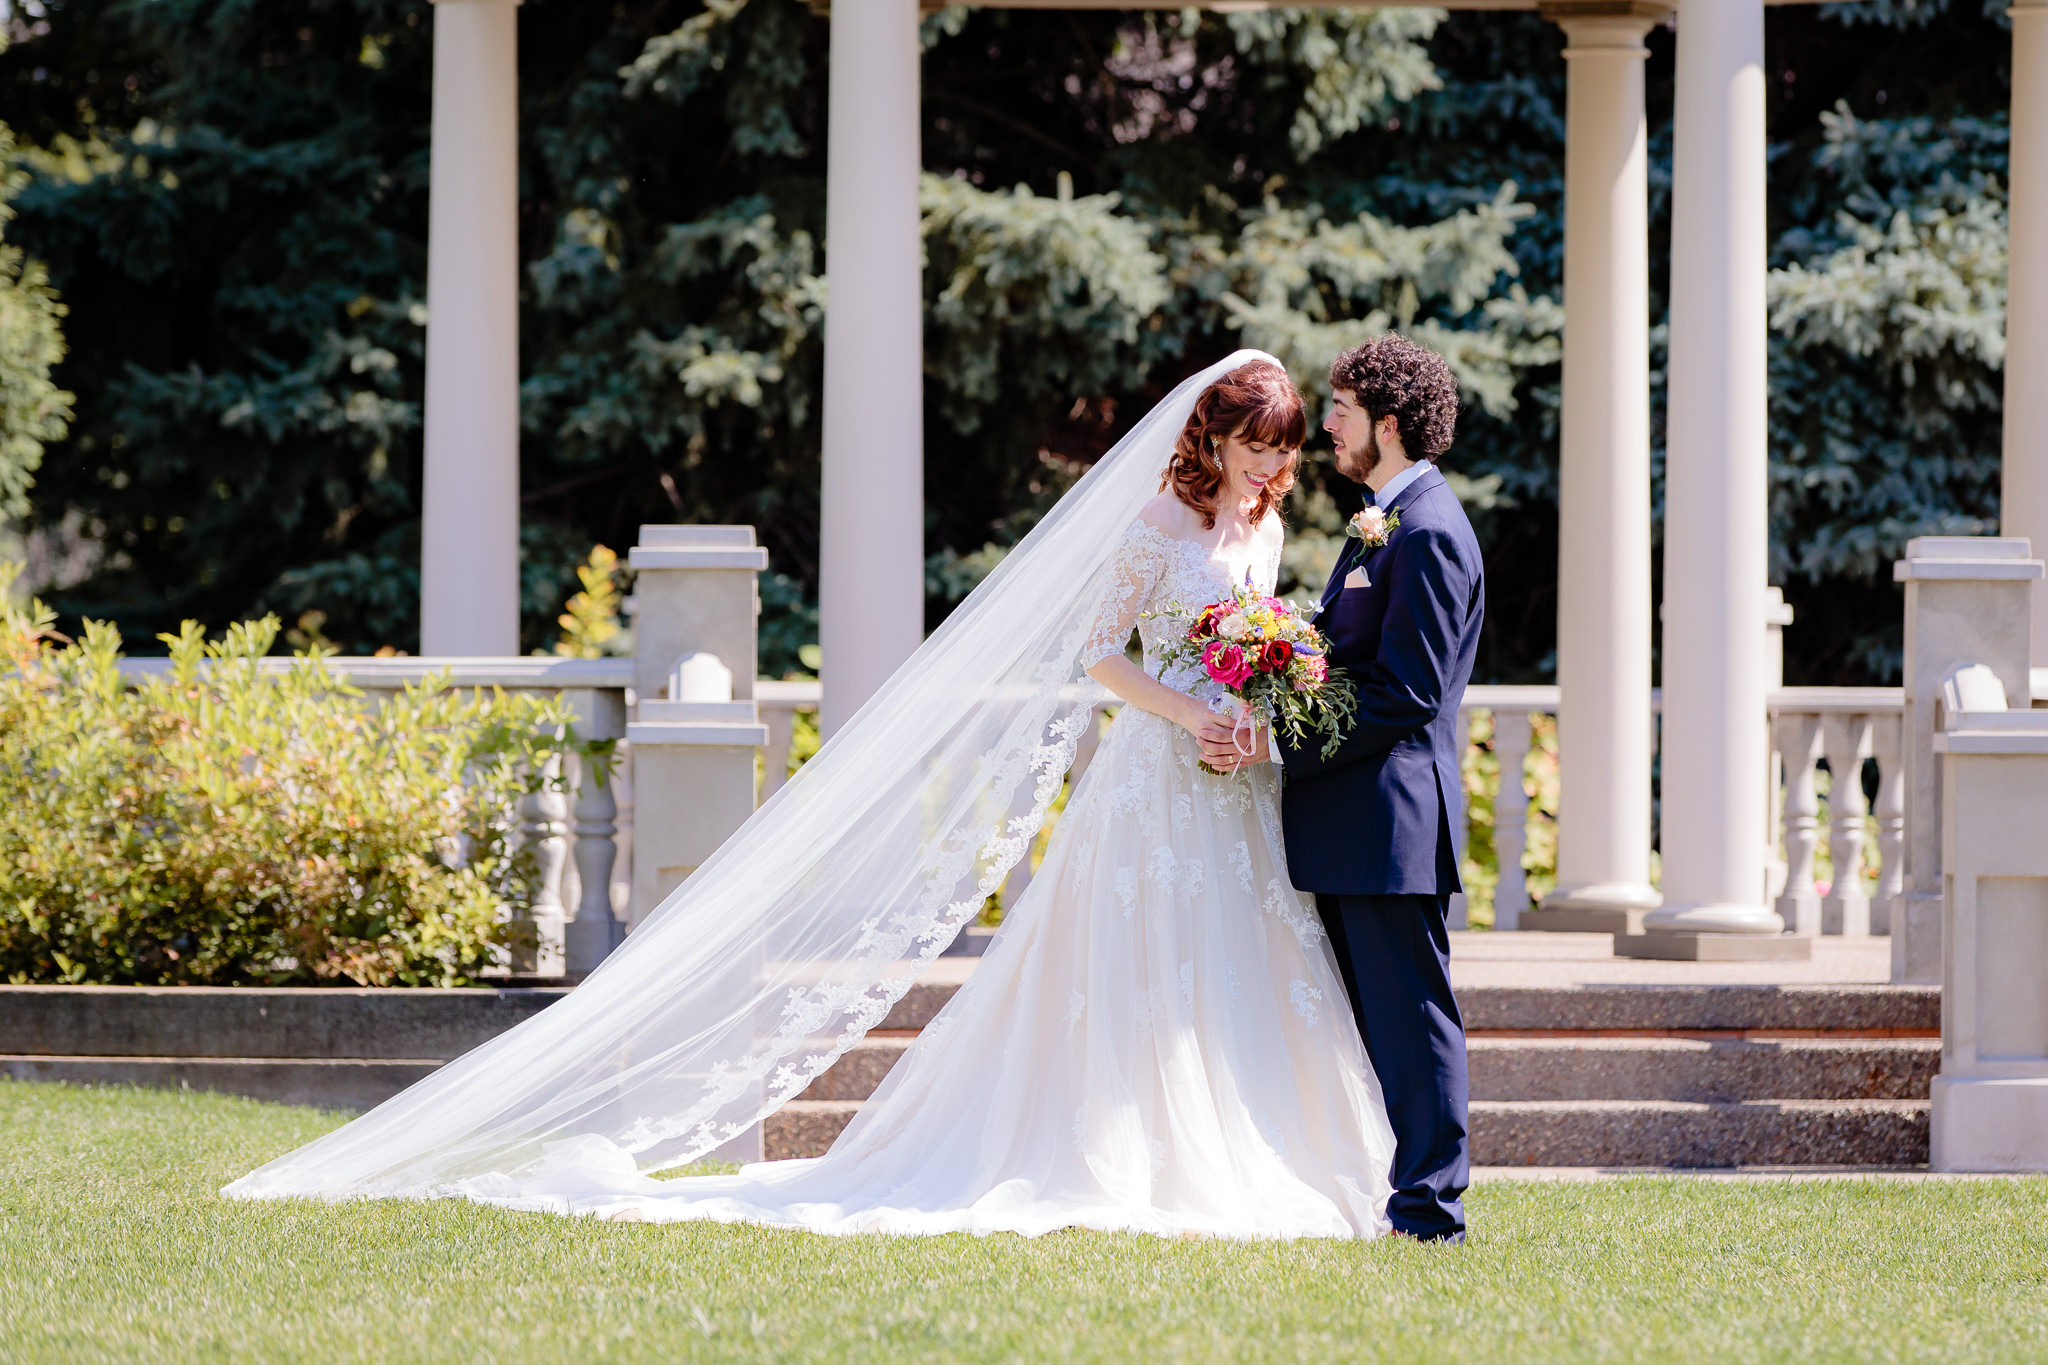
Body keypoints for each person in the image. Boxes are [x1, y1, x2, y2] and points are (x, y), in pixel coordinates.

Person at [223, 353, 1397, 1240]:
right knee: (1138, 956)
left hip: (1231, 784)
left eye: (1281, 450)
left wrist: (1255, 704)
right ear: (1215, 433)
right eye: (1254, 446)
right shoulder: (1153, 524)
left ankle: (1269, 1148)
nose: (1267, 467)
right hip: (1154, 774)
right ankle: (1124, 1151)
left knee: (1242, 957)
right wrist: (1188, 711)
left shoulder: (1264, 524)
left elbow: (1255, 635)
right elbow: (1097, 656)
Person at [1201, 334, 1482, 1243]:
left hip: (1392, 824)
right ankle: (1393, 1194)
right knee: (1373, 1024)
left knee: (1412, 1019)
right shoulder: (1385, 517)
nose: (1327, 424)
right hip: (1353, 822)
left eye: (1344, 411)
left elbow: (1409, 693)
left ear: (1389, 425)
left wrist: (1276, 736)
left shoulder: (1430, 530)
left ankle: (1431, 1208)